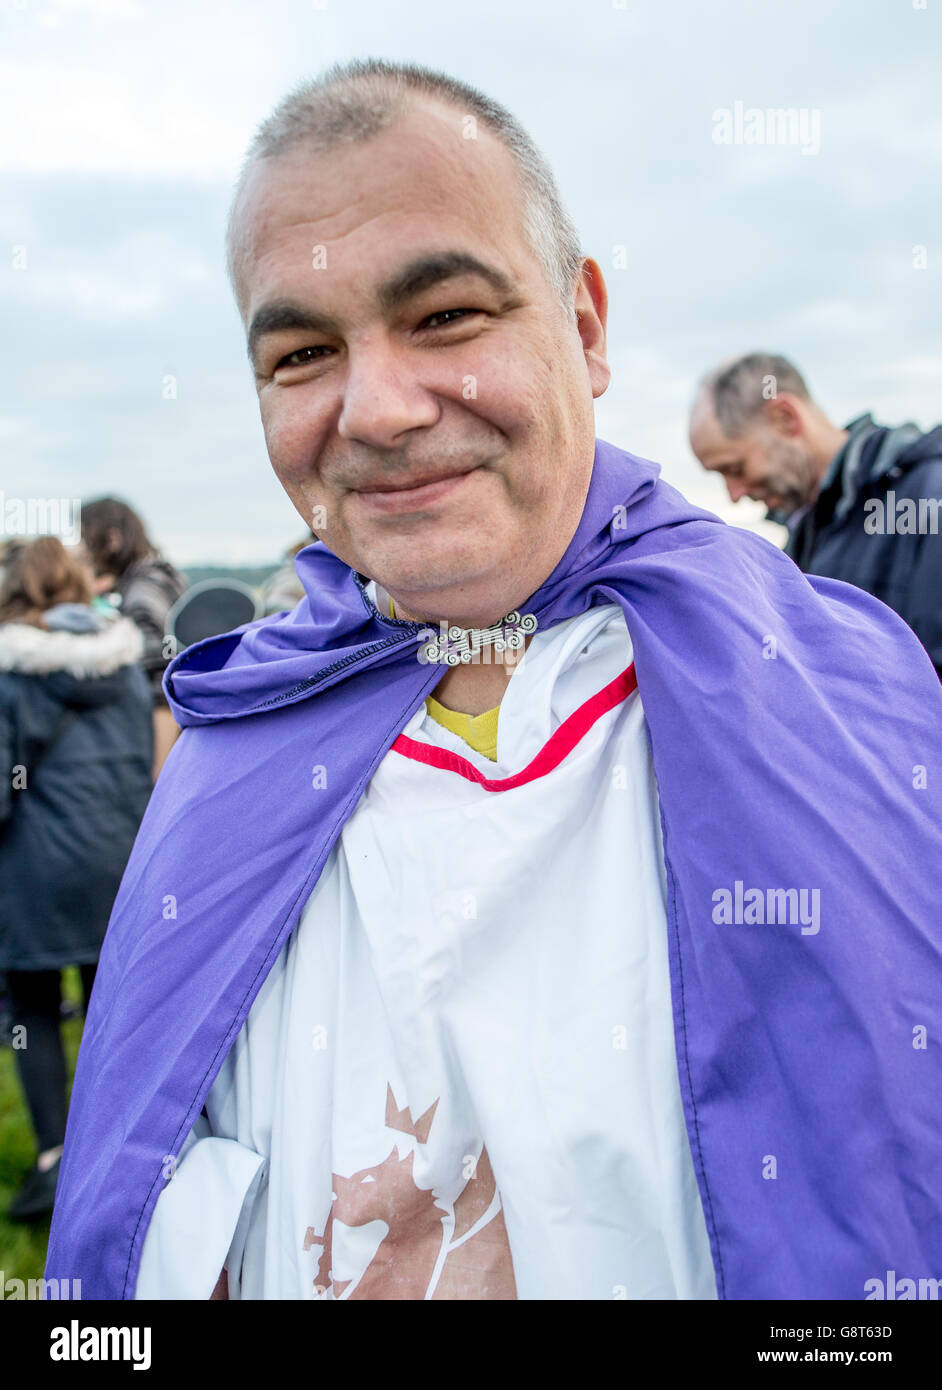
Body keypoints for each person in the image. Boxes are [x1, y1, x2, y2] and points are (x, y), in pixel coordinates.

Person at [46, 59, 942, 1301]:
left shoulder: (848, 696)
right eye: (304, 351)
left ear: (583, 328)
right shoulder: (234, 751)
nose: (377, 408)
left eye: (447, 316)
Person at [0, 537, 153, 1220]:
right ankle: (112, 1155)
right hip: (117, 859)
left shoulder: (10, 675)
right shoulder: (123, 665)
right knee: (106, 1012)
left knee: (31, 1010)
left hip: (34, 870)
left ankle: (54, 1160)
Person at [689, 352, 942, 676]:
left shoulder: (927, 498)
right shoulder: (803, 534)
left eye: (735, 468)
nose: (734, 494)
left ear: (785, 417)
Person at [77, 498, 188, 777]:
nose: (83, 550)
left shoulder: (140, 597)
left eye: (85, 537)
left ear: (111, 539)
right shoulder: (159, 577)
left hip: (161, 751)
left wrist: (157, 777)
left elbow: (162, 687)